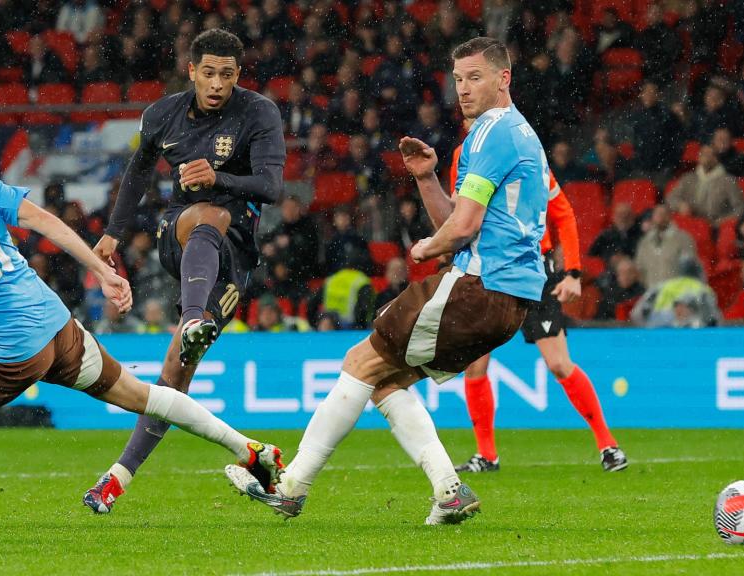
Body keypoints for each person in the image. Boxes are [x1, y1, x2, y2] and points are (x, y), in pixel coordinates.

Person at [0, 128, 283, 535]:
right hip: (57, 327)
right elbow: (43, 221)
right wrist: (102, 272)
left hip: (6, 354)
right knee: (141, 395)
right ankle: (250, 449)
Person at [226, 37, 547, 525]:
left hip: (479, 286)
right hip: (508, 300)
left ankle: (292, 487)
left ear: (504, 78)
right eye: (458, 79)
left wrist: (425, 249)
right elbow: (460, 223)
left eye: (475, 77)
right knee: (383, 378)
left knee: (359, 361)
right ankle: (449, 490)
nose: (463, 89)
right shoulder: (518, 135)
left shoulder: (491, 133)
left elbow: (459, 231)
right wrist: (426, 180)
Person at [82, 29, 285, 514]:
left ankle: (118, 479)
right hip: (181, 232)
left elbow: (273, 186)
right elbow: (137, 171)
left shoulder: (259, 112)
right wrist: (113, 231)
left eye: (227, 75)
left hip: (235, 258)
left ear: (239, 76)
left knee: (174, 377)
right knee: (206, 216)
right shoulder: (162, 114)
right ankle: (194, 315)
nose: (217, 84)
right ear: (192, 71)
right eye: (209, 73)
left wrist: (221, 178)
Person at [456, 169, 628, 474]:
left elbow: (563, 212)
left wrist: (573, 272)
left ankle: (608, 446)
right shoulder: (467, 152)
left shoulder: (530, 157)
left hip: (534, 269)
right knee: (475, 363)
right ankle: (487, 456)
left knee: (559, 364)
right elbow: (461, 208)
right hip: (489, 269)